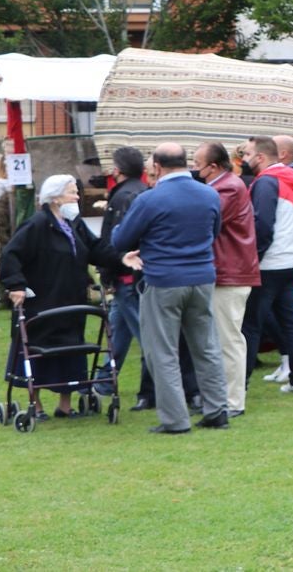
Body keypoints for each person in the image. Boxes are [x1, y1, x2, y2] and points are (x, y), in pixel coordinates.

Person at [111, 144, 228, 434]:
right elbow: (214, 232)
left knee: (162, 351)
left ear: (158, 167)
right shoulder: (209, 193)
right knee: (207, 346)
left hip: (164, 279)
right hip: (202, 277)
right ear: (186, 162)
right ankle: (217, 410)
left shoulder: (150, 199)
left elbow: (121, 239)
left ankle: (175, 419)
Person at [0, 175, 117, 418]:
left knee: (71, 350)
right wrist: (16, 285)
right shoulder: (37, 224)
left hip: (71, 298)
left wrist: (122, 259)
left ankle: (66, 405)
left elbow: (96, 250)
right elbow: (11, 255)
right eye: (72, 192)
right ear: (54, 198)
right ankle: (37, 404)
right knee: (38, 350)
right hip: (42, 300)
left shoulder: (75, 223)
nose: (77, 197)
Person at [239, 135, 293, 394]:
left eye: (247, 154)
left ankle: (240, 385)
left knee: (251, 325)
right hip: (291, 260)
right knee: (289, 320)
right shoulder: (289, 179)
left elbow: (263, 225)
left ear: (260, 157)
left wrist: (252, 257)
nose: (243, 159)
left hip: (270, 263)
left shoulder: (266, 182)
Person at [194, 142, 259, 418]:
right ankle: (222, 398)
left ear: (214, 166)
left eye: (198, 164)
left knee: (228, 339)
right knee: (221, 338)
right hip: (226, 270)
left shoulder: (228, 187)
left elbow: (206, 220)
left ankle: (233, 401)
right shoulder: (223, 185)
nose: (194, 169)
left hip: (230, 272)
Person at [91, 147, 149, 403]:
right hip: (132, 275)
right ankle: (104, 381)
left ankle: (155, 390)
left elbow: (117, 239)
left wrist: (108, 270)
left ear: (117, 170)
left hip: (127, 276)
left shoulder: (123, 197)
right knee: (118, 328)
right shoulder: (144, 192)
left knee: (145, 335)